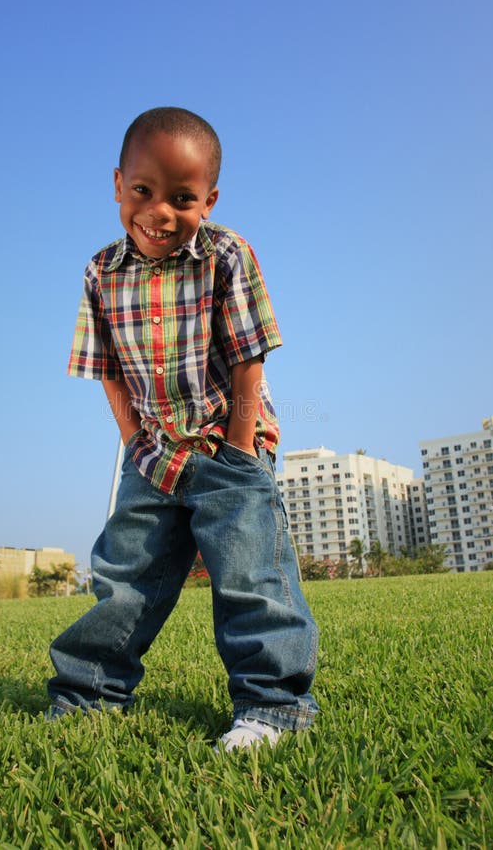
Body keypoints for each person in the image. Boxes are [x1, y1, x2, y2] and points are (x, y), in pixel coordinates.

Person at [47, 107, 318, 750]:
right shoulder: (100, 272)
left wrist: (241, 447)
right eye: (143, 191)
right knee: (125, 574)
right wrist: (135, 444)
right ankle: (89, 694)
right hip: (150, 453)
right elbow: (108, 370)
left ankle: (273, 708)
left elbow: (250, 355)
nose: (159, 212)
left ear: (209, 199)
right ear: (119, 184)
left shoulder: (227, 255)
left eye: (182, 198)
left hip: (228, 443)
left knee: (251, 577)